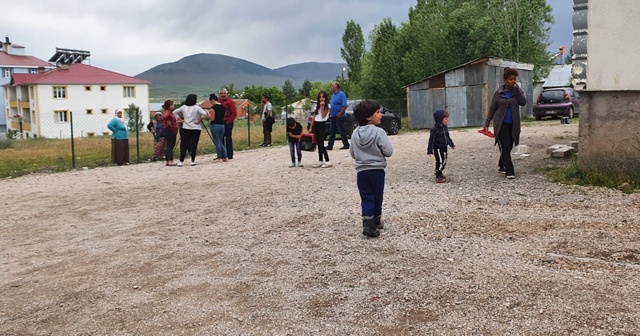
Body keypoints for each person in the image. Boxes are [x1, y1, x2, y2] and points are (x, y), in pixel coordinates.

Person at [349, 100, 393, 238]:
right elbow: (388, 151)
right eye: (378, 112)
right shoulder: (379, 132)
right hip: (377, 171)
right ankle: (376, 221)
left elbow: (352, 153)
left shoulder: (355, 133)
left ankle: (367, 223)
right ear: (369, 117)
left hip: (361, 172)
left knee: (367, 197)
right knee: (377, 196)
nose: (381, 115)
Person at [483, 67, 527, 179]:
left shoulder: (517, 91)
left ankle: (501, 163)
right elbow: (492, 108)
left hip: (513, 124)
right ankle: (510, 170)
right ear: (505, 80)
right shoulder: (498, 93)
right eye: (511, 79)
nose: (513, 81)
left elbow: (523, 102)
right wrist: (487, 123)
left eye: (514, 79)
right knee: (505, 146)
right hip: (501, 124)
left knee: (509, 146)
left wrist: (517, 91)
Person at [173, 94, 208, 167]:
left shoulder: (183, 107)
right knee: (194, 144)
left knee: (184, 144)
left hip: (186, 127)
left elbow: (175, 112)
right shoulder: (197, 108)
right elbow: (204, 114)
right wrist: (200, 120)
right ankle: (192, 160)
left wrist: (180, 119)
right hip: (196, 127)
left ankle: (181, 161)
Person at [427, 110, 455, 183]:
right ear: (440, 120)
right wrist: (430, 150)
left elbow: (447, 137)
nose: (447, 120)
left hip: (444, 147)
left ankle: (440, 171)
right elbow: (431, 140)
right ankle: (438, 174)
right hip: (437, 148)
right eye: (445, 119)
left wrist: (451, 144)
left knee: (444, 161)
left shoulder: (445, 127)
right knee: (439, 161)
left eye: (447, 118)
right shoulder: (434, 130)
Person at [309, 90, 331, 168]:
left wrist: (322, 106)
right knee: (318, 143)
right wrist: (311, 127)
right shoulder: (316, 106)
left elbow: (323, 116)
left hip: (323, 125)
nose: (321, 99)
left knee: (321, 143)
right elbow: (314, 117)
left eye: (323, 97)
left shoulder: (328, 106)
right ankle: (320, 160)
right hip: (316, 125)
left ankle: (327, 160)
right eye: (320, 97)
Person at [327, 81, 349, 150]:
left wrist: (340, 113)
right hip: (333, 116)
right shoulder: (333, 95)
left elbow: (344, 105)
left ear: (336, 87)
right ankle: (330, 145)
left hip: (340, 116)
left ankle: (346, 144)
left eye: (332, 86)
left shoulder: (341, 94)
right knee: (332, 131)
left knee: (341, 130)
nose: (331, 87)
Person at [208, 94, 229, 162]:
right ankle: (225, 156)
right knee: (220, 141)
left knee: (217, 142)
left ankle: (219, 157)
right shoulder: (223, 107)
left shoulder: (213, 108)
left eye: (211, 102)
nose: (211, 103)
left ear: (213, 100)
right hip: (222, 125)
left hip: (215, 125)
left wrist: (208, 113)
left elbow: (212, 118)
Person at [219, 88, 237, 159]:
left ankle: (229, 154)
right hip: (220, 122)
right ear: (219, 94)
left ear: (227, 94)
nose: (223, 95)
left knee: (228, 138)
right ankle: (222, 154)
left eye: (224, 93)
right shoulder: (218, 102)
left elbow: (234, 113)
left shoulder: (230, 102)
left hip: (227, 122)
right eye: (221, 93)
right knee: (221, 138)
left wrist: (229, 121)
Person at [162, 100, 178, 166]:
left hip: (170, 131)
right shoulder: (167, 112)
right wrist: (168, 122)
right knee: (170, 146)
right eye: (172, 105)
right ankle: (170, 160)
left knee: (168, 145)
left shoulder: (170, 112)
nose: (173, 106)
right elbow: (165, 117)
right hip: (170, 131)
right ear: (168, 106)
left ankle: (167, 160)